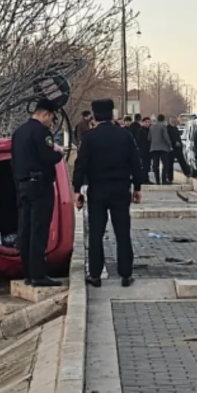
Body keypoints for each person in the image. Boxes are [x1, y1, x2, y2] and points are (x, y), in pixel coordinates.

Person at [73, 98, 144, 287]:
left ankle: (95, 275)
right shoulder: (125, 136)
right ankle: (126, 274)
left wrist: (76, 190)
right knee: (122, 232)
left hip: (97, 191)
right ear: (112, 113)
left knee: (96, 233)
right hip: (121, 190)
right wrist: (137, 187)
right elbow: (135, 163)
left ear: (94, 115)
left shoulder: (89, 138)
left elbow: (80, 166)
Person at [10, 98, 64, 287]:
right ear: (45, 114)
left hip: (23, 184)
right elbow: (48, 157)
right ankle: (38, 275)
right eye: (52, 118)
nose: (51, 122)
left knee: (25, 229)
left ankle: (27, 273)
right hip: (40, 185)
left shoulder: (19, 132)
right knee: (39, 230)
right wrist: (59, 152)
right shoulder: (41, 132)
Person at [148, 113, 173, 185]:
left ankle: (157, 180)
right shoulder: (163, 127)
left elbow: (149, 138)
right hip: (163, 148)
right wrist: (169, 145)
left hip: (154, 148)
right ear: (163, 119)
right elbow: (166, 137)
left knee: (155, 165)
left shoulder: (151, 127)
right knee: (165, 164)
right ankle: (164, 180)